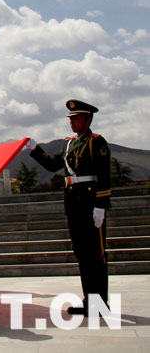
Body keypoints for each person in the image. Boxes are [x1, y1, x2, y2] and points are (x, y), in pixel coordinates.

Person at [26, 99, 111, 314]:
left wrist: (101, 205)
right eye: (70, 119)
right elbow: (53, 165)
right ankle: (89, 299)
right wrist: (35, 149)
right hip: (74, 201)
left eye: (76, 118)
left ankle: (100, 302)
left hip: (90, 201)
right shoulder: (69, 143)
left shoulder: (96, 142)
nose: (72, 122)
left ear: (88, 119)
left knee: (96, 253)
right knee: (82, 252)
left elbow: (104, 175)